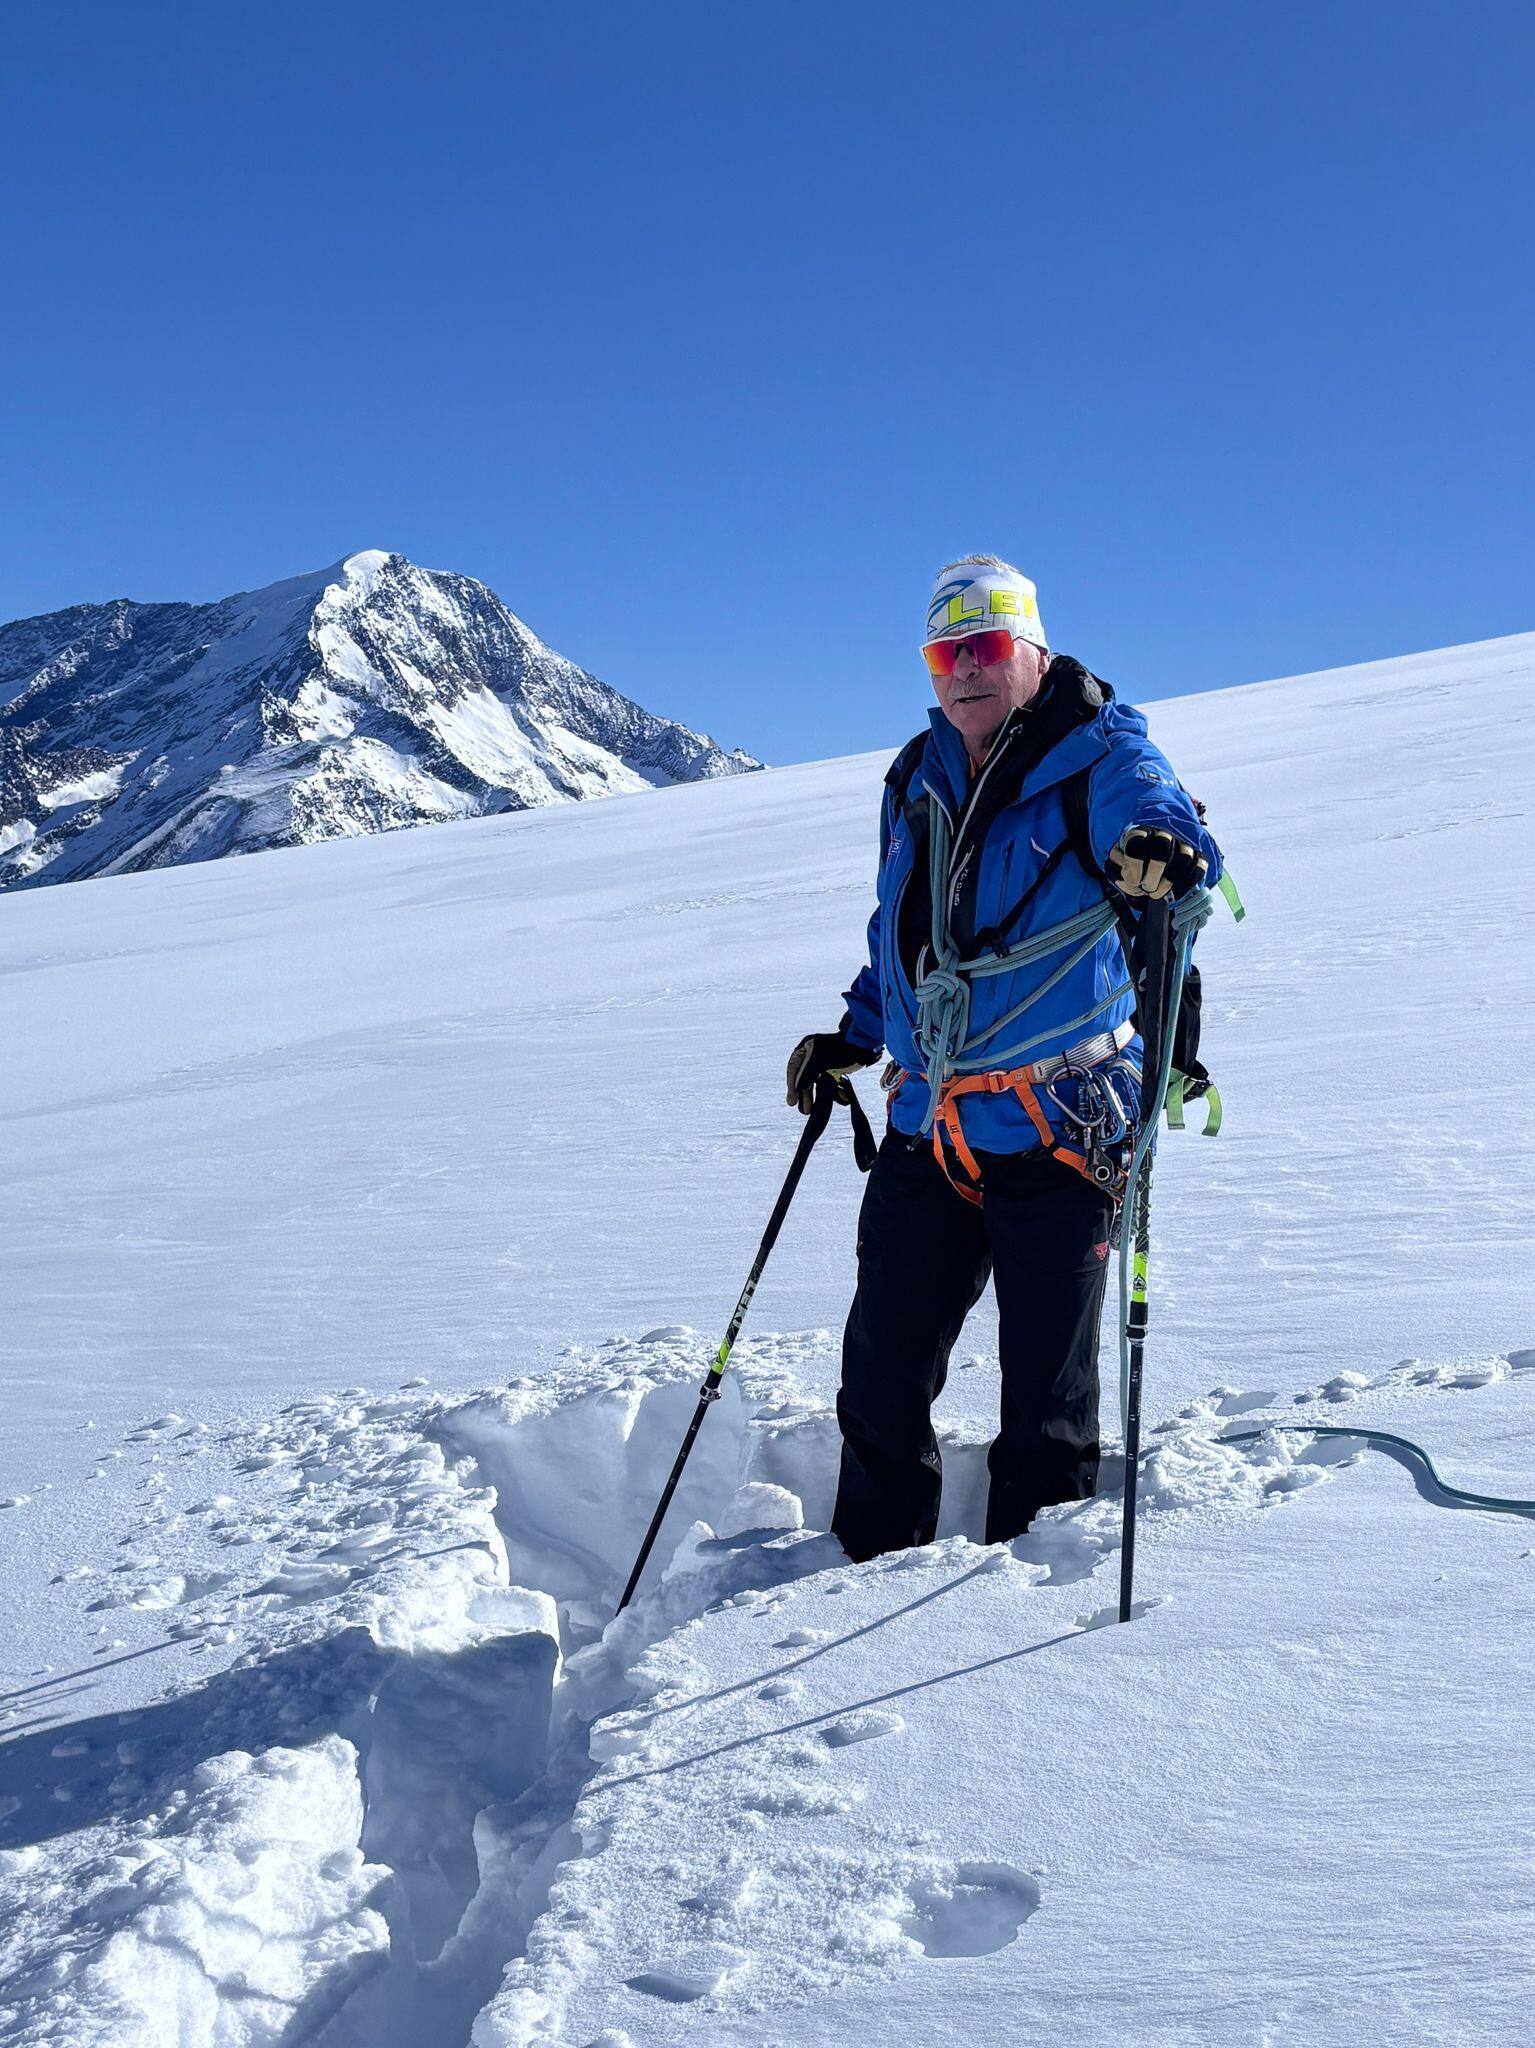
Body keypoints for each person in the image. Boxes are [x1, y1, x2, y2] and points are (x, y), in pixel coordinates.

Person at [786, 556, 1222, 1563]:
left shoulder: (1101, 751)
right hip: (929, 1121)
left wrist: (1160, 849)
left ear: (1031, 649)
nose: (963, 672)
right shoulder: (916, 772)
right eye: (942, 655)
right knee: (880, 1379)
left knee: (1046, 1403)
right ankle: (860, 1567)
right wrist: (858, 1030)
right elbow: (906, 935)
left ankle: (1018, 1596)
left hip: (1058, 1129)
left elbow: (1162, 820)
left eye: (982, 646)